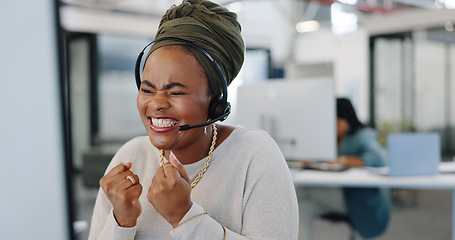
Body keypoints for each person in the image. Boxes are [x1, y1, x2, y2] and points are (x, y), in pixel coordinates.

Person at [88, 1, 299, 239]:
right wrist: (121, 222)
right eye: (147, 90)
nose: (156, 103)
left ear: (215, 101)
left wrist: (184, 216)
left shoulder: (254, 155)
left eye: (175, 92)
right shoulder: (132, 157)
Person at [298, 97, 390, 240]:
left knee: (302, 191)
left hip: (360, 200)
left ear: (344, 120)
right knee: (303, 207)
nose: (329, 127)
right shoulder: (333, 138)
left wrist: (342, 160)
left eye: (333, 122)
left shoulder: (363, 135)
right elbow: (325, 159)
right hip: (340, 194)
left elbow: (379, 159)